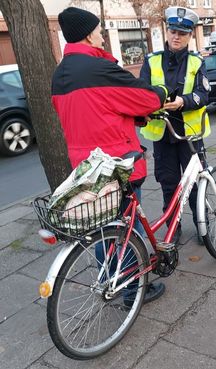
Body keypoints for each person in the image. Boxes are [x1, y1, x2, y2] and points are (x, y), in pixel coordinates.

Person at [51, 7, 169, 304]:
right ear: (88, 35)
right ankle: (132, 289)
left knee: (103, 227)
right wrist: (162, 94)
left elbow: (95, 111)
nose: (102, 36)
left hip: (86, 167)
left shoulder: (61, 74)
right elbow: (145, 98)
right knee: (129, 227)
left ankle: (111, 276)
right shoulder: (98, 69)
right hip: (118, 163)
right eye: (98, 30)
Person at [140, 6, 211, 245]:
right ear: (167, 31)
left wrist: (183, 101)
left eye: (182, 32)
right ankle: (174, 227)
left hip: (190, 134)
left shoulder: (196, 62)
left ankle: (204, 226)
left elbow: (204, 94)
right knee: (169, 185)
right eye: (172, 31)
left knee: (196, 183)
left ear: (190, 35)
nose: (176, 36)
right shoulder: (151, 62)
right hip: (162, 135)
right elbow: (141, 94)